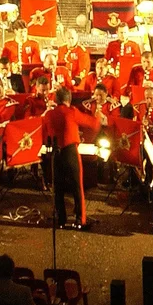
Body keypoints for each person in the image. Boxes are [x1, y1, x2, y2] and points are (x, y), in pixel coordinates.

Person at [45, 87, 100, 230]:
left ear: (56, 100)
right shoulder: (72, 112)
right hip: (70, 151)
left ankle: (61, 219)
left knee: (58, 188)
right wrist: (97, 113)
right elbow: (93, 124)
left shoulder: (49, 114)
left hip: (56, 153)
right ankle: (80, 220)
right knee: (77, 186)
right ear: (68, 99)